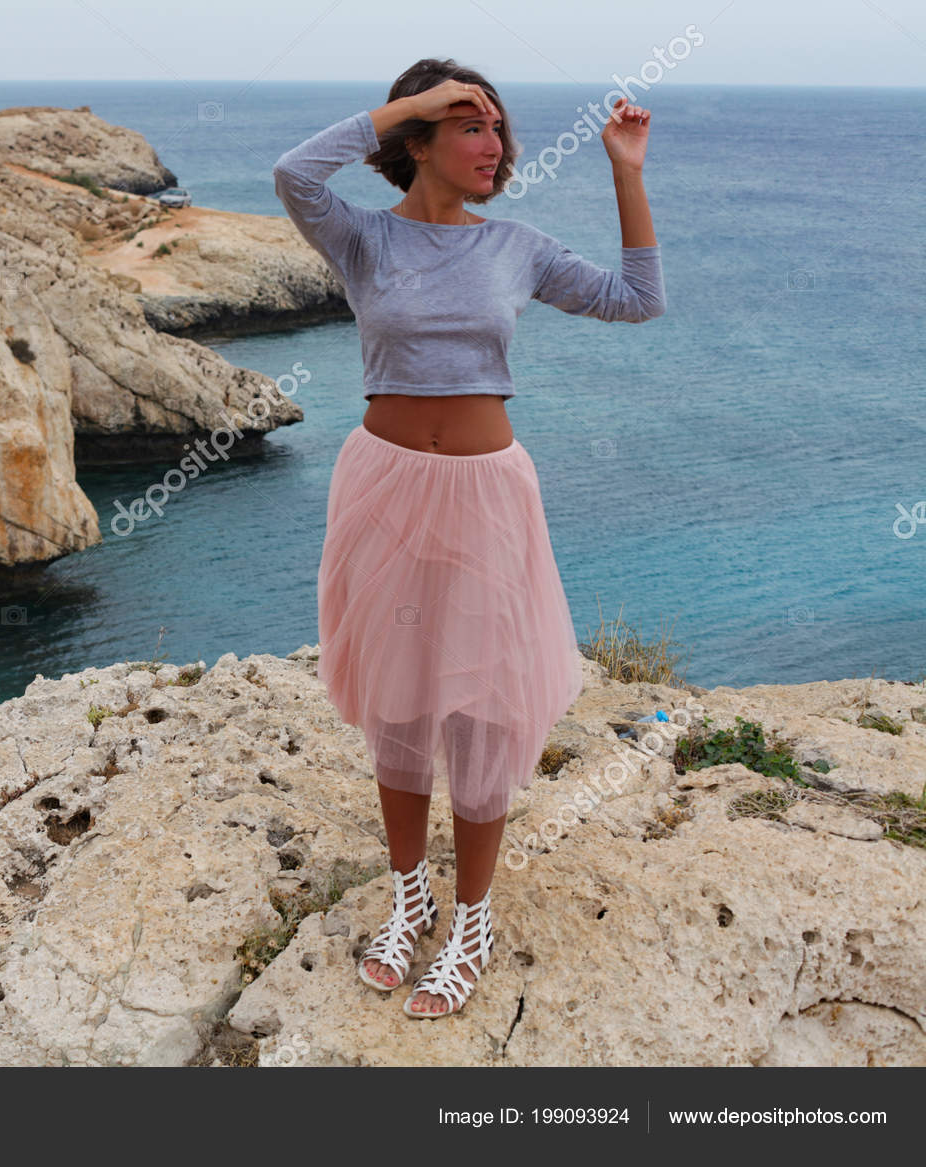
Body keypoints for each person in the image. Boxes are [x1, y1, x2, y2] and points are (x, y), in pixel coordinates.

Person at [271, 58, 665, 1018]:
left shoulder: (517, 247)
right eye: (469, 124)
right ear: (418, 140)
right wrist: (408, 104)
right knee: (399, 699)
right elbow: (292, 173)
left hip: (487, 495)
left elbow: (638, 298)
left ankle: (473, 920)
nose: (495, 144)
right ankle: (410, 899)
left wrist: (625, 171)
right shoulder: (363, 238)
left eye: (497, 127)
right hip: (384, 486)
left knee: (483, 705)